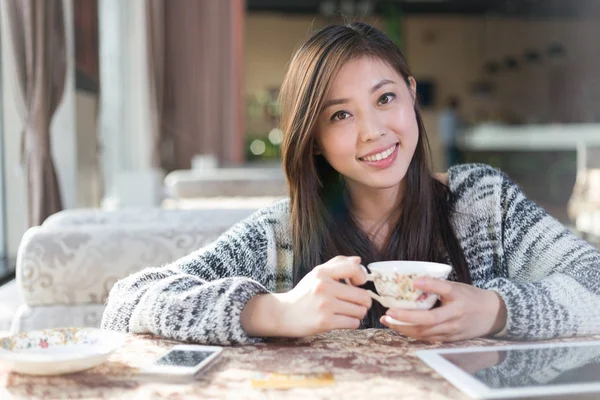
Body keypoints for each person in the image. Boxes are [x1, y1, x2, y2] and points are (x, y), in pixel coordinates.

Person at [101, 22, 600, 345]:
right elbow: (128, 302)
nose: (373, 131)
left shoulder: (483, 204)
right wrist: (271, 311)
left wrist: (496, 309)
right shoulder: (282, 235)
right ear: (314, 140)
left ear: (410, 95)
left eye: (385, 99)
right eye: (340, 115)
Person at [438, 96, 463, 168]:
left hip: (445, 141)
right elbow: (459, 126)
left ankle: (448, 176)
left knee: (448, 162)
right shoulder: (453, 116)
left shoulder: (442, 115)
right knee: (453, 162)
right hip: (452, 142)